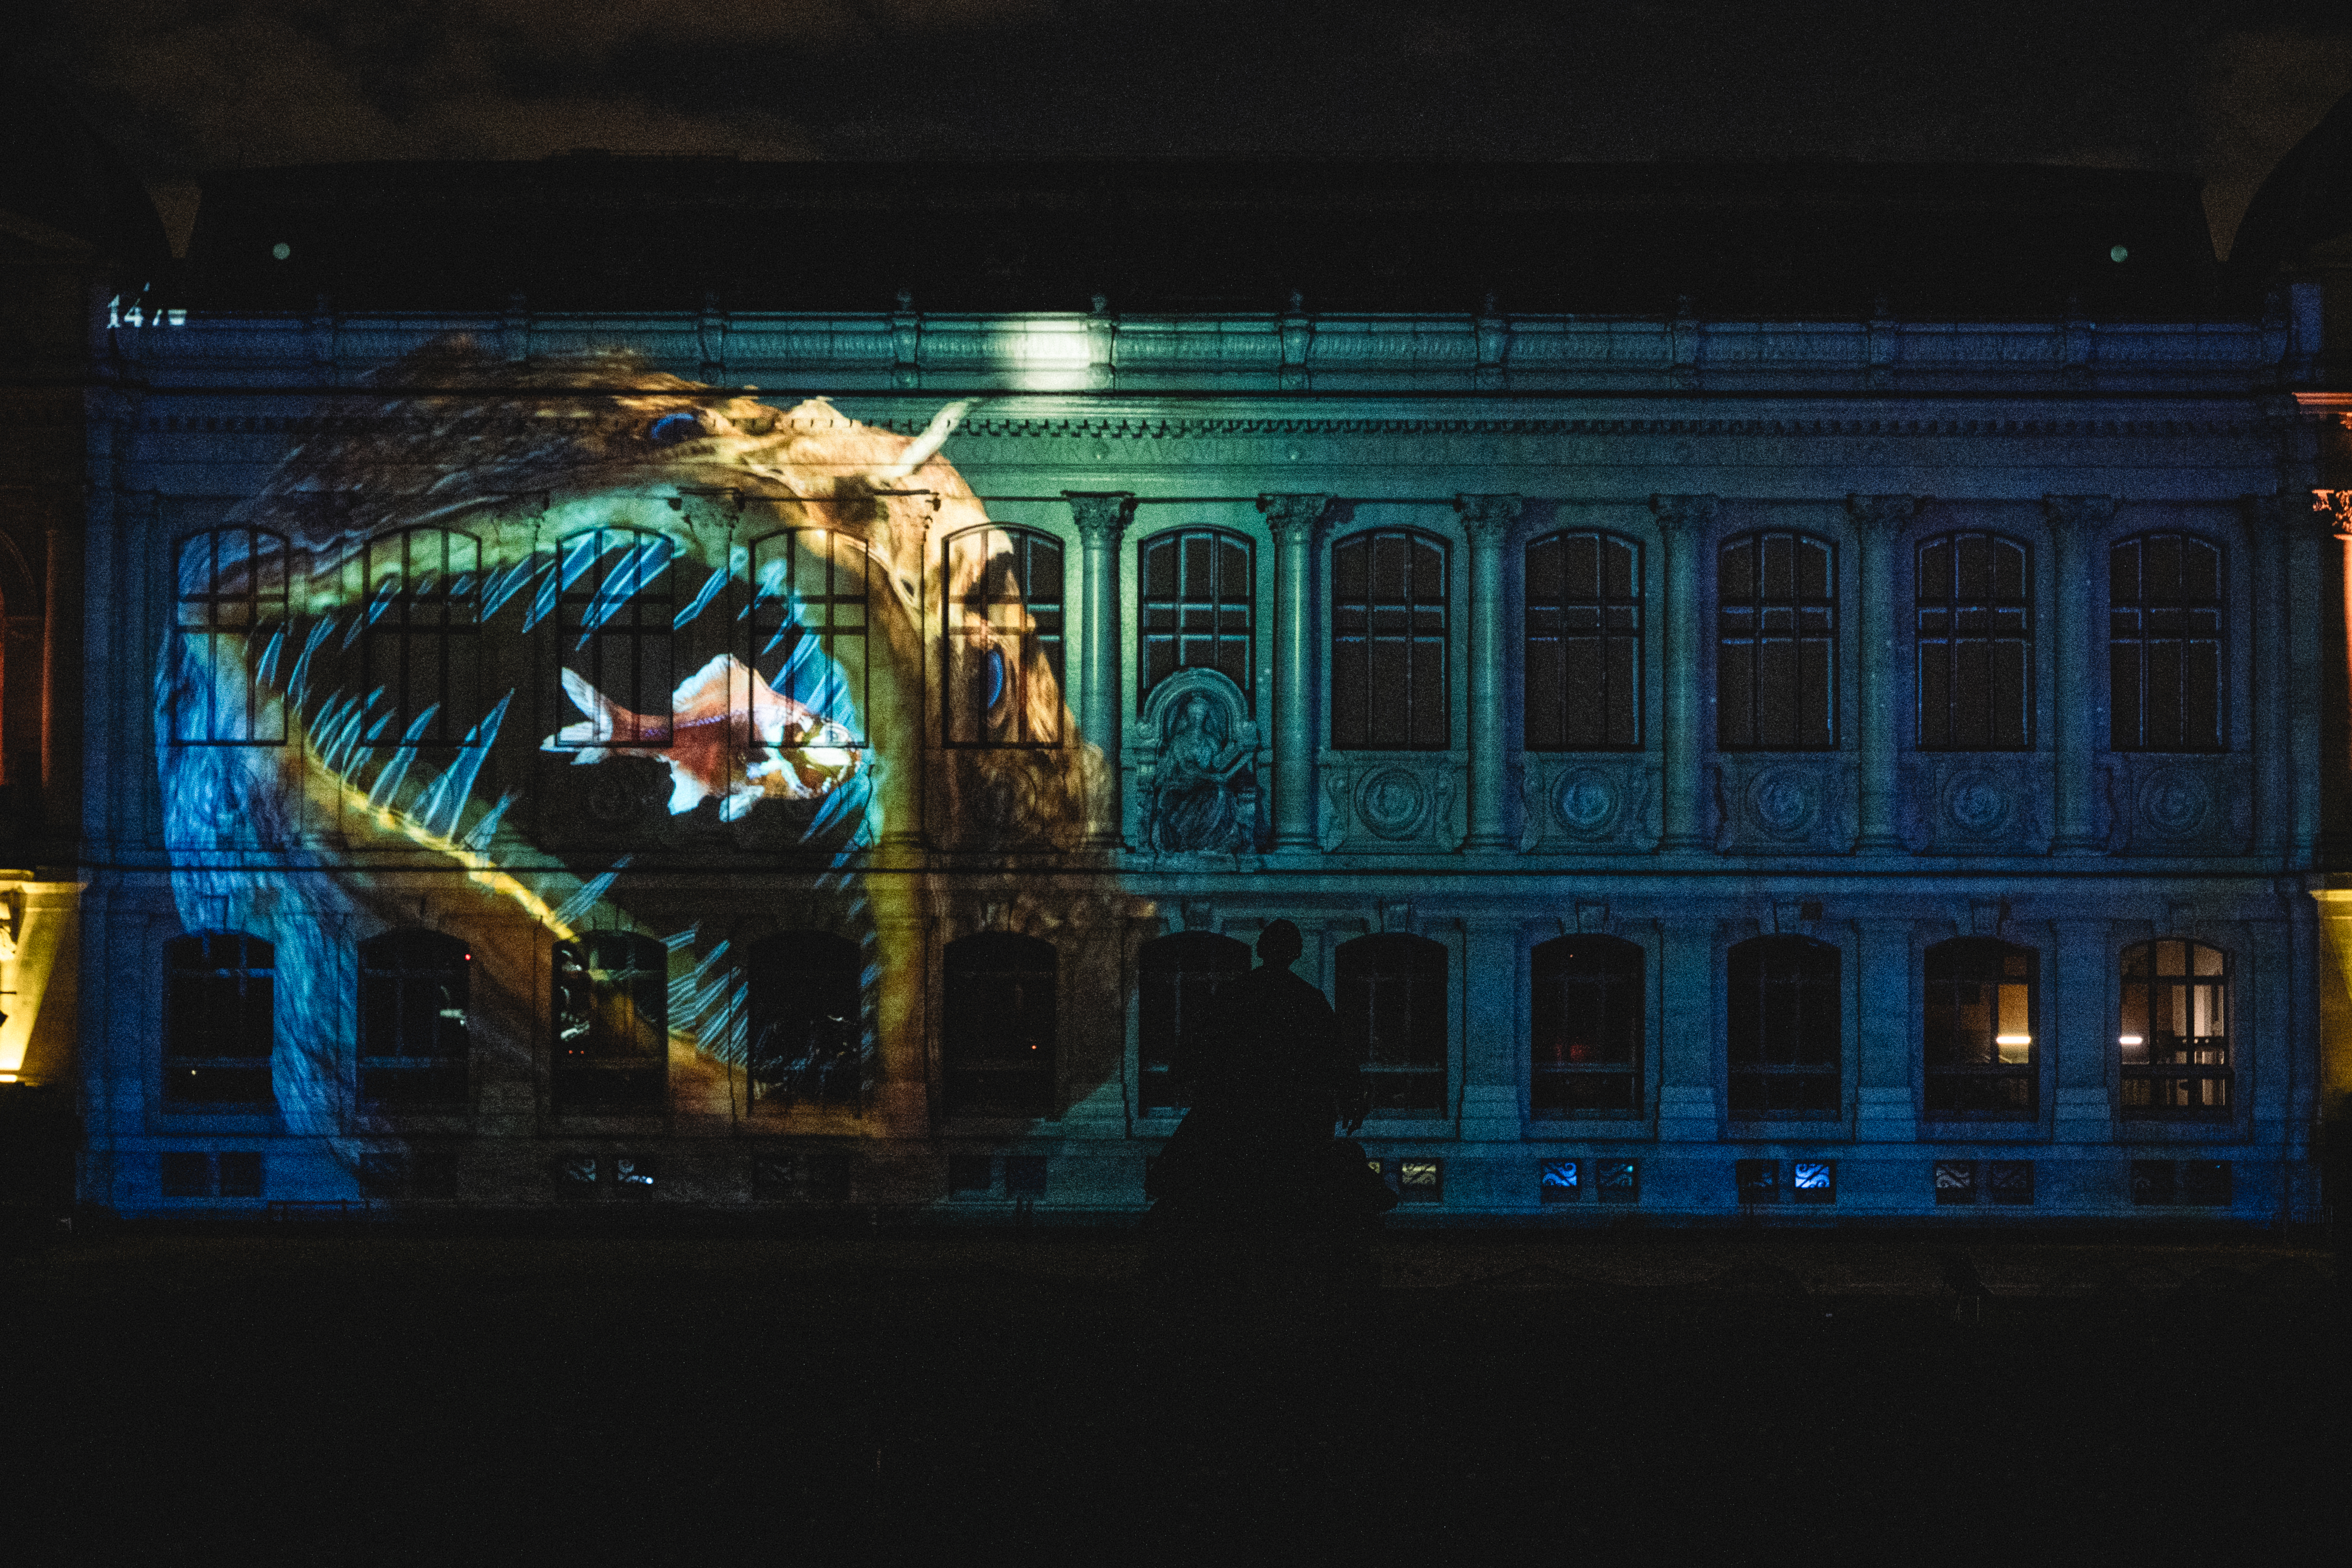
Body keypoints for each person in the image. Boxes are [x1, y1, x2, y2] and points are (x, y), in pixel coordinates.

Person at [1144, 920, 1393, 1238]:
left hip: (1236, 1114)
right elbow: (1337, 1056)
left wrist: (1186, 1079)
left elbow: (1197, 1045)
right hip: (1295, 1119)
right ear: (1296, 953)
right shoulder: (1308, 1000)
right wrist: (1351, 1099)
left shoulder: (1235, 995)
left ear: (1262, 949)